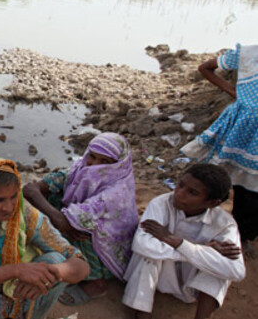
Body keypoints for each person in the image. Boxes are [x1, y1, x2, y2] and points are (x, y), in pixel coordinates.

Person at [0, 154, 89, 319]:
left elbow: (81, 265)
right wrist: (15, 270)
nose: (8, 207)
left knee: (56, 260)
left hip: (20, 296)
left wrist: (48, 274)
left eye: (13, 197)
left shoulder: (26, 215)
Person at [22, 132, 138, 305]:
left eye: (105, 162)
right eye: (92, 156)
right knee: (54, 200)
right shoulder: (78, 170)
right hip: (75, 224)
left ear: (119, 164)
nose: (94, 165)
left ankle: (96, 282)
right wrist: (62, 220)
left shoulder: (116, 192)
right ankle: (67, 256)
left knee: (80, 226)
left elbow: (60, 217)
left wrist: (65, 222)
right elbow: (31, 189)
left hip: (107, 247)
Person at [122, 164, 245, 319]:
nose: (179, 194)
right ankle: (142, 313)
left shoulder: (225, 224)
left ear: (212, 203)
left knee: (218, 270)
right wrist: (198, 249)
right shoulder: (161, 203)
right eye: (180, 185)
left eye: (192, 192)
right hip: (160, 274)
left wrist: (178, 243)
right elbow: (141, 244)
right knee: (149, 255)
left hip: (192, 284)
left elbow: (237, 271)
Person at [181, 43, 258, 244]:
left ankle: (245, 234)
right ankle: (240, 235)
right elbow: (205, 68)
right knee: (242, 187)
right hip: (245, 131)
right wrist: (237, 94)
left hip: (247, 128)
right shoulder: (248, 54)